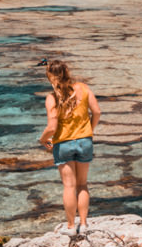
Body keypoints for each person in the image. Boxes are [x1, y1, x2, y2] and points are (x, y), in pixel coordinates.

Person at [39, 59, 101, 235]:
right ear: (67, 72)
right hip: (85, 141)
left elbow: (51, 127)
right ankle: (84, 224)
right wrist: (90, 130)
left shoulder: (52, 97)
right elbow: (97, 112)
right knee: (82, 184)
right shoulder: (83, 88)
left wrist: (43, 140)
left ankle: (70, 227)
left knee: (69, 186)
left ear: (50, 77)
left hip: (63, 144)